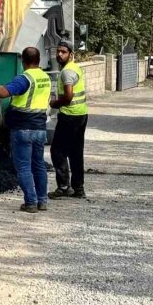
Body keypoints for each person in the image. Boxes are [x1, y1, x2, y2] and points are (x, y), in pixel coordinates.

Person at [0, 47, 52, 213]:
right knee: (38, 166)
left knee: (24, 167)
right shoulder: (45, 77)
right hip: (40, 129)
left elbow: (4, 92)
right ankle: (42, 201)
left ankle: (30, 202)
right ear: (39, 60)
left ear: (23, 61)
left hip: (23, 129)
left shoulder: (25, 78)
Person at [48, 40, 89, 199]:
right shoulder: (75, 68)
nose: (59, 54)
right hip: (81, 114)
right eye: (58, 51)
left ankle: (64, 187)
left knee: (57, 151)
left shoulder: (67, 72)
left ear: (71, 54)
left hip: (70, 116)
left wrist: (55, 103)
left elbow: (69, 95)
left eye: (63, 52)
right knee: (76, 152)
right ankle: (78, 188)